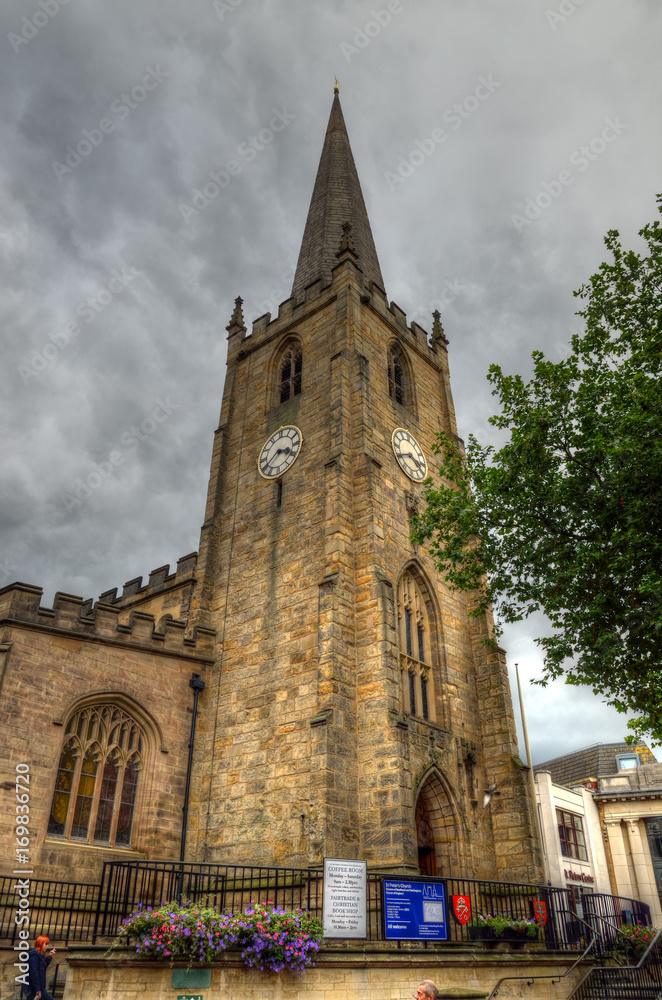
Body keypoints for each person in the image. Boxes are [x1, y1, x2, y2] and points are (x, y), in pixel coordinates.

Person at [21, 935, 57, 1000]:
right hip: (33, 989)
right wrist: (37, 990)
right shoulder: (34, 956)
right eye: (46, 944)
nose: (47, 946)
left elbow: (42, 968)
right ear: (41, 944)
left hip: (39, 988)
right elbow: (34, 974)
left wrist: (48, 956)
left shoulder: (40, 955)